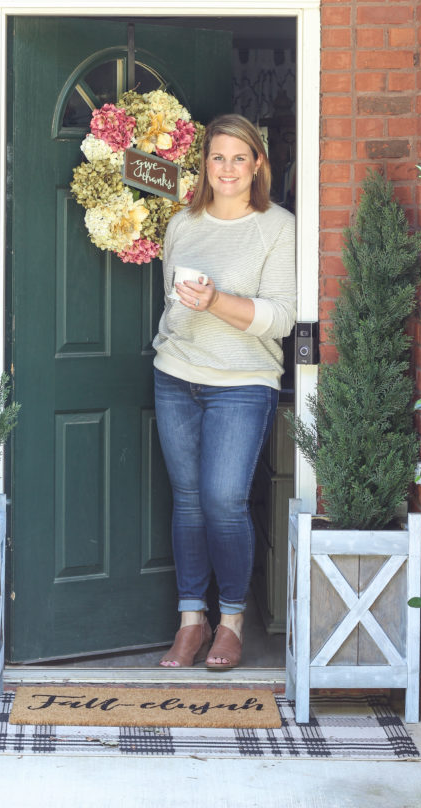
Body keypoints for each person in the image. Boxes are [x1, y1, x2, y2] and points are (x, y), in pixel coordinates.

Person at [153, 113, 296, 669]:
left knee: (223, 500)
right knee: (187, 502)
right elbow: (170, 298)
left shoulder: (277, 227)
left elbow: (281, 317)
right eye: (218, 158)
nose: (228, 168)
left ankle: (231, 620)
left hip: (241, 383)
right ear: (205, 164)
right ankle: (193, 620)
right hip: (176, 375)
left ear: (258, 163)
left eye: (240, 157)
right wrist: (170, 337)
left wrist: (215, 301)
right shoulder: (182, 224)